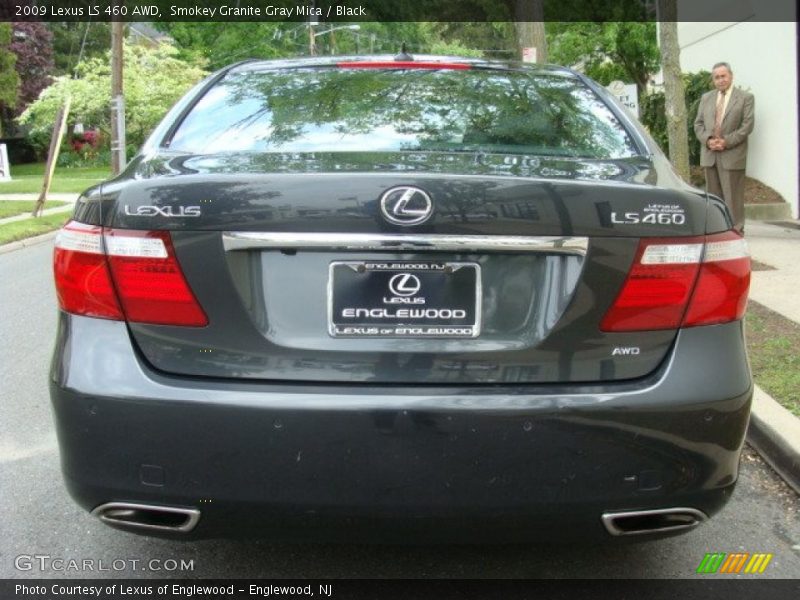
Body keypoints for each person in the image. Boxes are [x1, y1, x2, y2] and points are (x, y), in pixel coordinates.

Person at [693, 62, 755, 233]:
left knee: (733, 197)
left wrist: (726, 141)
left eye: (723, 76)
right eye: (717, 77)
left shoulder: (745, 98)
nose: (720, 80)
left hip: (732, 154)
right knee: (713, 198)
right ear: (713, 79)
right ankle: (717, 230)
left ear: (731, 76)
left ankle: (736, 232)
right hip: (710, 153)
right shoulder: (706, 98)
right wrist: (708, 140)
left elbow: (747, 126)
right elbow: (698, 124)